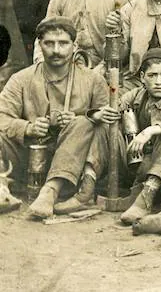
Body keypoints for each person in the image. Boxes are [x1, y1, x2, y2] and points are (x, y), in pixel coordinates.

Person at [0, 17, 109, 219]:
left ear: (75, 45)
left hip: (74, 166)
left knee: (84, 123)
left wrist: (81, 119)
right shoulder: (21, 79)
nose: (56, 50)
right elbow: (2, 115)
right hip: (31, 160)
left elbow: (106, 126)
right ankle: (2, 189)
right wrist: (27, 127)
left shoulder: (93, 80)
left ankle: (50, 192)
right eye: (49, 43)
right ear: (39, 45)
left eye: (63, 43)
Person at [90, 49, 161, 225]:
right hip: (137, 161)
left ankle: (147, 196)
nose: (158, 82)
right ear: (142, 77)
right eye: (152, 75)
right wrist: (99, 115)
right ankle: (87, 186)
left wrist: (151, 130)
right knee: (104, 127)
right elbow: (113, 107)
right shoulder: (137, 94)